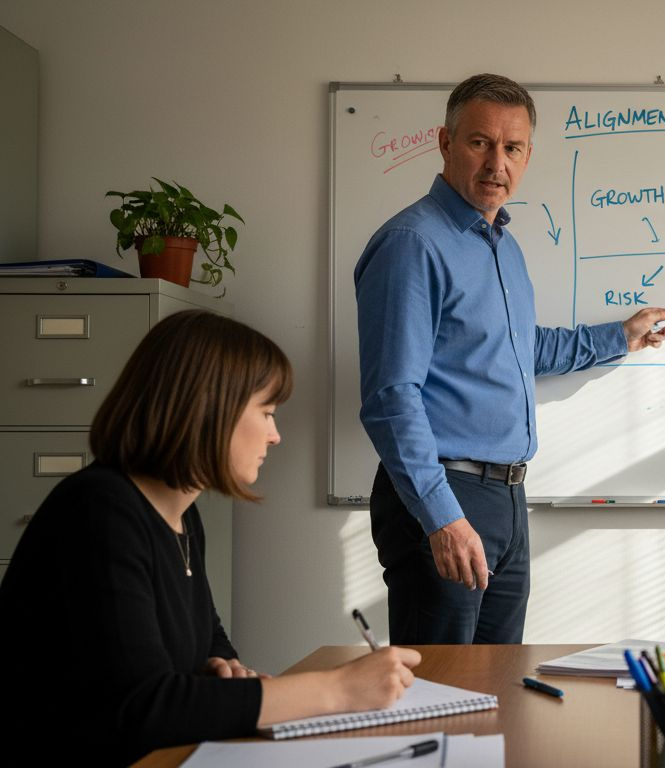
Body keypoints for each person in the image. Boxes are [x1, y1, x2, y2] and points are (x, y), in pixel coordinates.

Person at [0, 310, 421, 765]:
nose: (276, 435)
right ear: (209, 408)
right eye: (267, 412)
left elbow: (207, 640)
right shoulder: (98, 511)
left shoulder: (181, 514)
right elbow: (144, 706)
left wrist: (219, 667)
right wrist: (337, 689)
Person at [354, 74, 665, 647]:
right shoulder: (414, 243)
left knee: (498, 687)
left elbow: (519, 349)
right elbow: (389, 398)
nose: (497, 162)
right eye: (480, 142)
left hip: (507, 497)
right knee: (441, 699)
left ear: (528, 155)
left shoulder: (502, 244)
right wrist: (443, 517)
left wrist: (620, 337)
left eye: (513, 147)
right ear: (446, 143)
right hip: (448, 495)